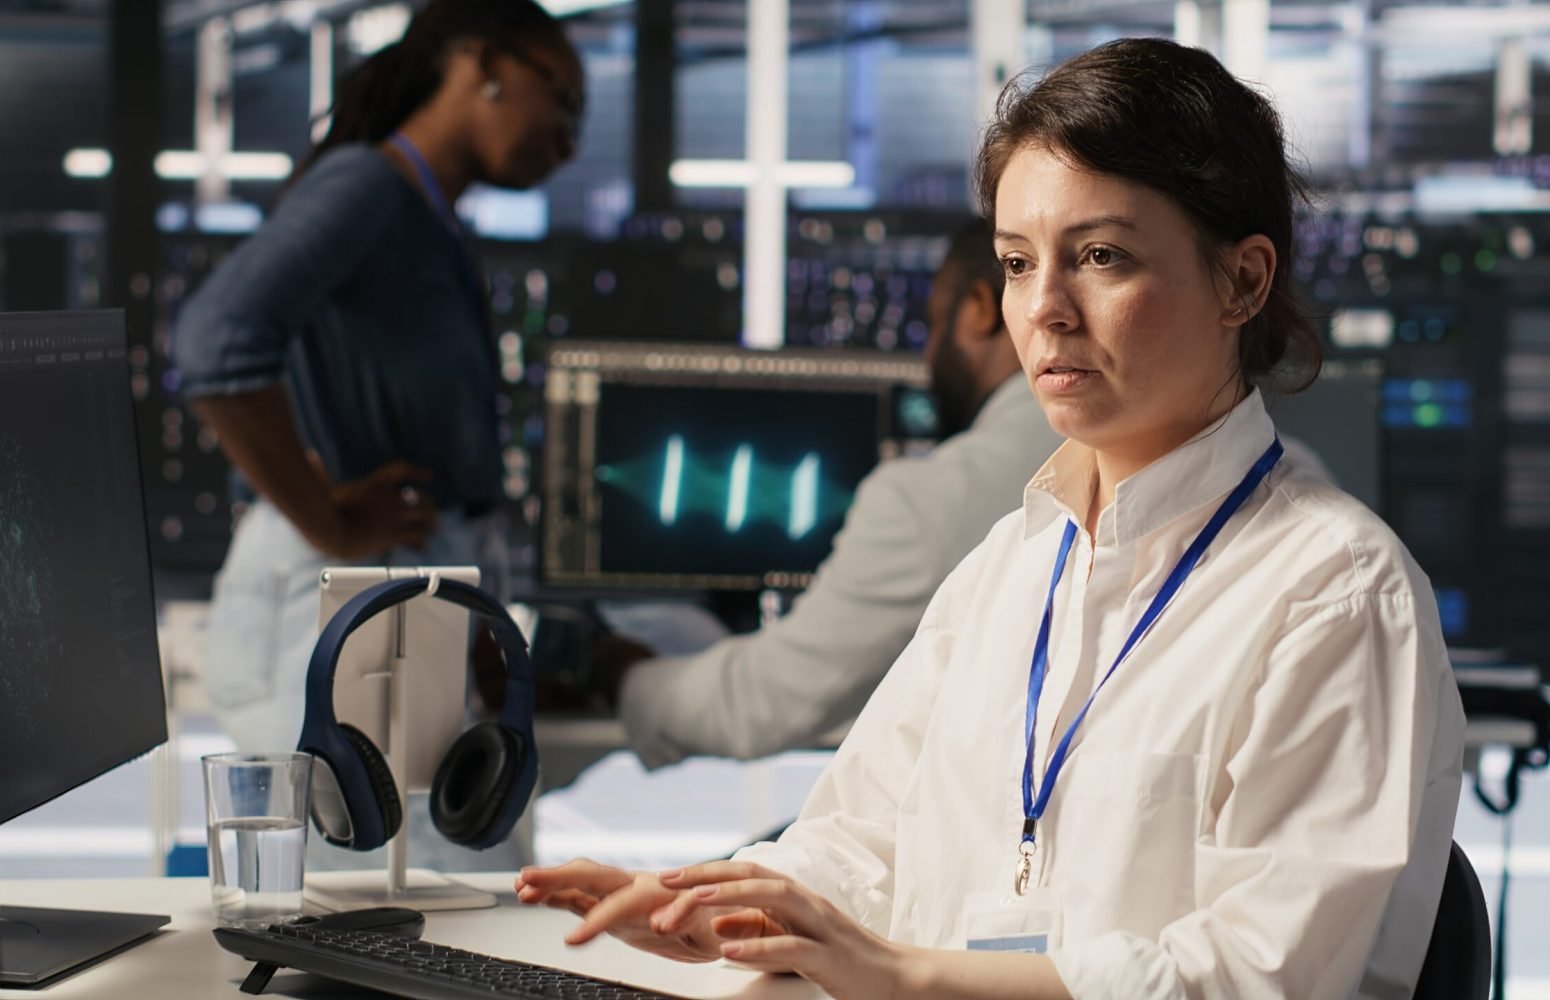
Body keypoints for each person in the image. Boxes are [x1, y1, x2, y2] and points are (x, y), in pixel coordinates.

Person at [515, 38, 1465, 1000]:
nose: (1045, 309)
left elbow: (1260, 977)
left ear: (1243, 282)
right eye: (1018, 262)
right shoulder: (1010, 565)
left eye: (1101, 256)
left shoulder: (1337, 592)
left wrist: (904, 977)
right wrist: (725, 909)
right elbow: (863, 837)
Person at [172, 1, 582, 863]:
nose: (569, 141)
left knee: (433, 899)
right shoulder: (369, 186)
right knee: (368, 907)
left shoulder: (425, 216)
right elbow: (215, 342)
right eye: (563, 100)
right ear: (484, 60)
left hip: (386, 594)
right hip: (353, 599)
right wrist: (330, 520)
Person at [603, 219, 1063, 769]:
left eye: (935, 325)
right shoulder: (1128, 449)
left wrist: (625, 675)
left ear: (979, 309)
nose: (929, 355)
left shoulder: (926, 502)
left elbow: (762, 703)